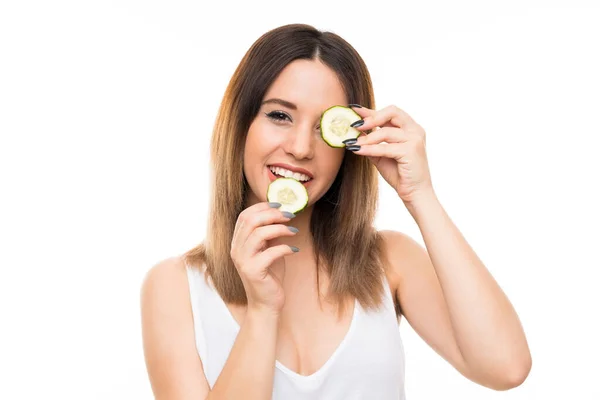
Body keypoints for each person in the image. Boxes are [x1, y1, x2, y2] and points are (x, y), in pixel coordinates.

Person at [140, 23, 532, 399]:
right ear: (241, 124)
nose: (299, 148)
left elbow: (505, 368)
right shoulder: (176, 286)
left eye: (325, 127)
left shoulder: (389, 261)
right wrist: (262, 310)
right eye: (280, 115)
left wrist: (420, 195)